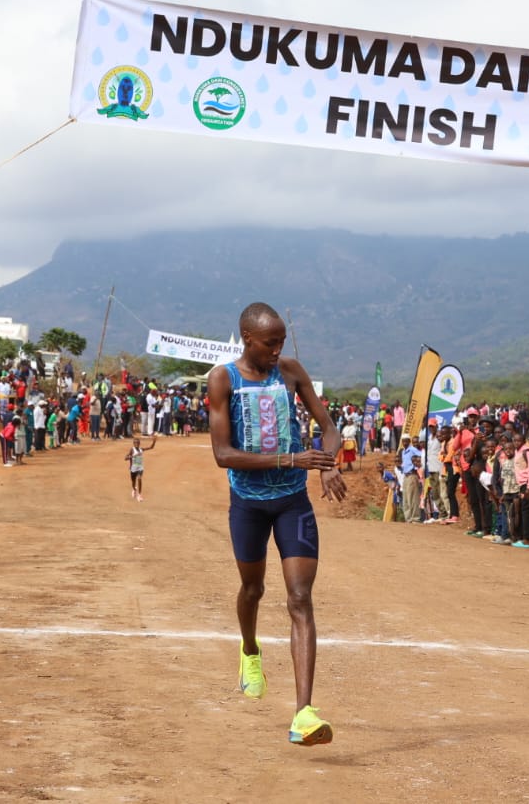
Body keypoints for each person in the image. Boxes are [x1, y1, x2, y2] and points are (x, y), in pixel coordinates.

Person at [207, 302, 345, 747]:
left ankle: (304, 713)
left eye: (281, 342)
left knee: (300, 598)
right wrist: (291, 459)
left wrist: (327, 463)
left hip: (292, 503)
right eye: (270, 343)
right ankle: (250, 649)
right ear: (248, 338)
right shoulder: (223, 379)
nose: (277, 350)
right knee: (253, 589)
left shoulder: (291, 372)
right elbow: (223, 455)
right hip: (248, 504)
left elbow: (329, 428)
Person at [125, 435, 157, 501]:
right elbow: (125, 458)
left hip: (140, 468)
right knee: (133, 482)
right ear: (133, 444)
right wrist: (132, 456)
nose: (137, 444)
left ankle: (139, 495)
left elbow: (151, 447)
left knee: (139, 478)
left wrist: (154, 441)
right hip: (133, 468)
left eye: (138, 443)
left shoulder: (141, 450)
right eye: (135, 443)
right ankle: (134, 489)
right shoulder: (132, 450)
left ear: (139, 443)